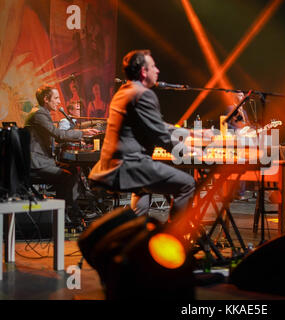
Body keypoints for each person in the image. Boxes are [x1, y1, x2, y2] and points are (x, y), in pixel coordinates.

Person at [88, 49, 195, 221]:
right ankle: (172, 239)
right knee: (187, 184)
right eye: (153, 66)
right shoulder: (143, 94)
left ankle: (135, 233)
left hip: (111, 165)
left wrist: (190, 133)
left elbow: (154, 125)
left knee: (145, 191)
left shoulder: (124, 91)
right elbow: (161, 137)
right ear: (144, 71)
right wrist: (190, 152)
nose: (157, 70)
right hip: (128, 165)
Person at [25, 85, 99, 227]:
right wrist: (83, 133)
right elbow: (59, 134)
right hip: (36, 163)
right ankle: (63, 214)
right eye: (56, 98)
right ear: (46, 99)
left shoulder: (41, 113)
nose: (59, 102)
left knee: (72, 170)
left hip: (43, 160)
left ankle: (70, 212)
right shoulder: (39, 114)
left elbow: (56, 136)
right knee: (66, 176)